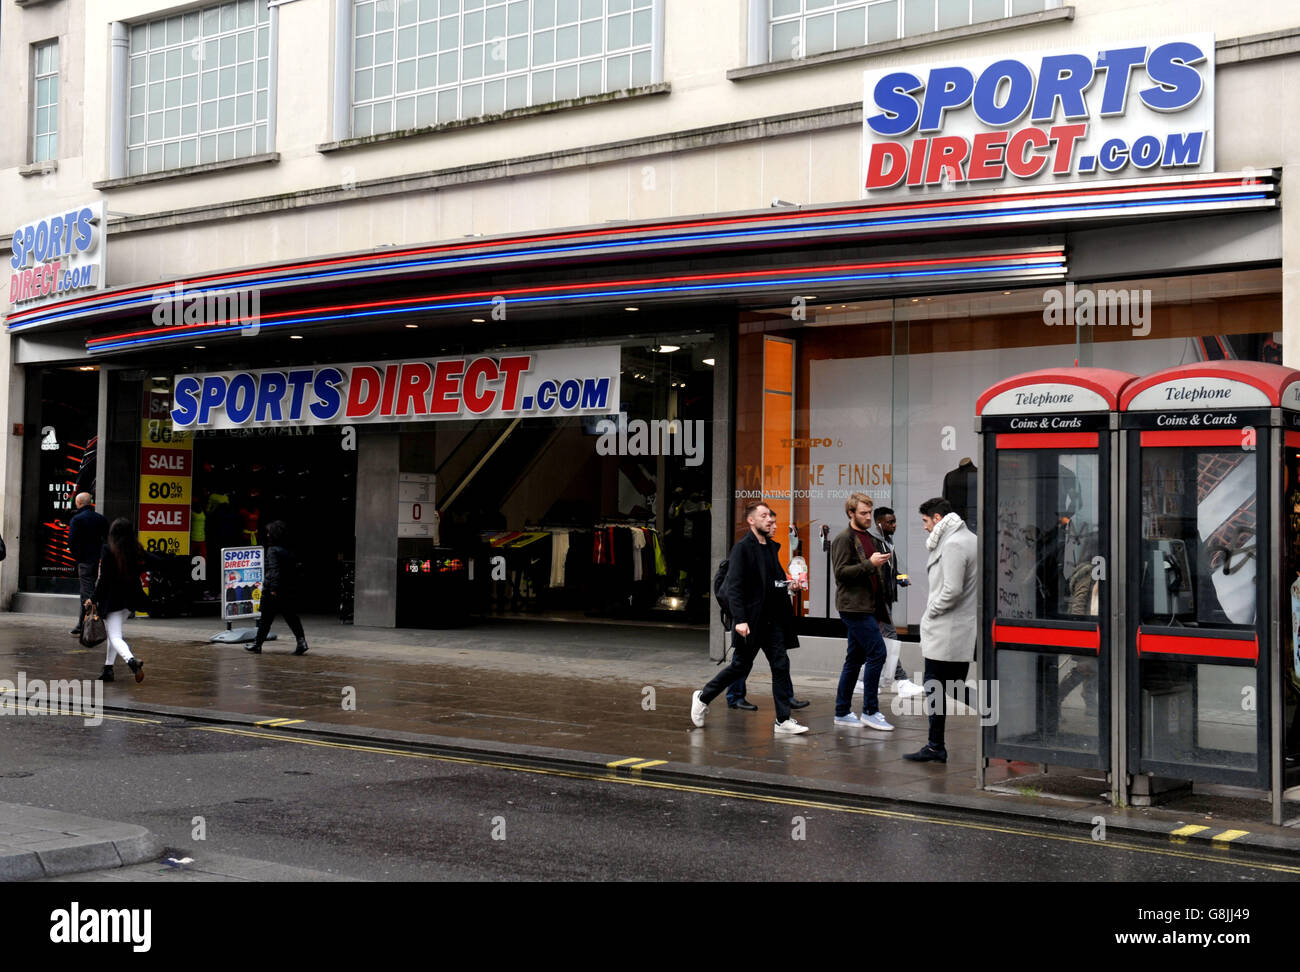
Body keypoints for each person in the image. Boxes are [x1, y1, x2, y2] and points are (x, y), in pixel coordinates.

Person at [690, 501, 807, 735]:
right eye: (763, 516)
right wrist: (740, 619)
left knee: (781, 665)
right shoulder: (743, 548)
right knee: (739, 667)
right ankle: (703, 696)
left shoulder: (770, 547)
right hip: (751, 621)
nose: (770, 520)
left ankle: (783, 720)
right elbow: (734, 587)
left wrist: (789, 585)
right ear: (751, 521)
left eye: (771, 517)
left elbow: (773, 582)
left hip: (772, 621)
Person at [905, 497, 978, 763]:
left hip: (947, 628)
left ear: (938, 518)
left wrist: (930, 612)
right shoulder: (968, 538)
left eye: (925, 521)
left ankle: (936, 746)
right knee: (954, 686)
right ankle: (999, 722)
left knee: (935, 685)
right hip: (958, 629)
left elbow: (952, 589)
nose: (924, 527)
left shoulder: (954, 543)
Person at [830, 493, 894, 730]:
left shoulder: (870, 538)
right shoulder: (844, 538)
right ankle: (869, 710)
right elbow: (841, 573)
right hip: (853, 607)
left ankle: (842, 711)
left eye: (869, 512)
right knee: (877, 653)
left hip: (869, 606)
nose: (868, 517)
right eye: (863, 513)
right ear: (851, 513)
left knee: (854, 659)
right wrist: (871, 564)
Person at [867, 506, 924, 697]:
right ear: (879, 524)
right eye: (890, 522)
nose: (894, 525)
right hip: (878, 601)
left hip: (885, 599)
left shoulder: (887, 542)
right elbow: (873, 573)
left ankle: (865, 680)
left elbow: (887, 571)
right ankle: (901, 681)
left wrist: (899, 578)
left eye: (895, 521)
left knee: (871, 643)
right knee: (890, 639)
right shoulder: (874, 543)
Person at [90, 518, 155, 683]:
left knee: (115, 636)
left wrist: (93, 598)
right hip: (130, 600)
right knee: (114, 634)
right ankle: (108, 669)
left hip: (113, 601)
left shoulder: (108, 550)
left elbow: (103, 579)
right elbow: (155, 562)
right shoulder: (136, 550)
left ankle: (132, 662)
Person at [246, 520, 309, 656]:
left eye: (269, 533)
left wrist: (273, 588)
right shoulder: (289, 550)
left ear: (273, 535)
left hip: (273, 590)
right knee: (292, 617)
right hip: (288, 588)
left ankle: (257, 645)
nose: (267, 535)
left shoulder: (272, 550)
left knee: (266, 619)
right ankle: (301, 642)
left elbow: (274, 570)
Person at [67, 492, 109, 637]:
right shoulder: (101, 519)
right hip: (98, 559)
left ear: (78, 503)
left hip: (85, 560)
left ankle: (89, 623)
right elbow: (107, 539)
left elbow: (71, 541)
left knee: (86, 593)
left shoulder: (77, 519)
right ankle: (81, 623)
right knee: (90, 591)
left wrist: (78, 556)